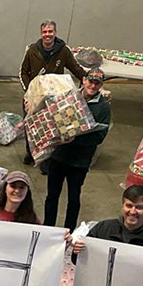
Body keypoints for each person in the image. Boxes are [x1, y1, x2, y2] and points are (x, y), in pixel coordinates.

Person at [43, 68, 111, 231]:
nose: (93, 86)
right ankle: (47, 229)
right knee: (52, 196)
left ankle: (69, 232)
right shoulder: (70, 97)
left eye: (97, 83)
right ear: (84, 80)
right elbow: (53, 117)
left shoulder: (103, 107)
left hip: (79, 162)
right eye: (91, 81)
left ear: (101, 85)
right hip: (58, 156)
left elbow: (99, 137)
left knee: (73, 199)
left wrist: (75, 137)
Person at [20, 19, 87, 165]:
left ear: (55, 33)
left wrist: (88, 80)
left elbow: (75, 68)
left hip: (54, 98)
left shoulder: (63, 51)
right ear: (41, 33)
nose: (47, 34)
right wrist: (28, 91)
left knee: (50, 127)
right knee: (31, 126)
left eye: (50, 31)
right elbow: (23, 72)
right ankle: (30, 152)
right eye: (44, 32)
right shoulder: (32, 50)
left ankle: (47, 157)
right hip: (34, 96)